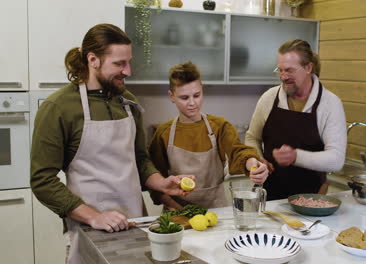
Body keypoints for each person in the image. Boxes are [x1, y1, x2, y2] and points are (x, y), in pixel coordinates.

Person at [30, 24, 194, 264]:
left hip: (136, 223)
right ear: (93, 59)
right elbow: (42, 179)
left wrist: (162, 184)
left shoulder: (128, 102)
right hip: (90, 229)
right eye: (119, 64)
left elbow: (139, 159)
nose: (127, 71)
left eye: (129, 62)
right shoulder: (59, 107)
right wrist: (94, 217)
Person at [148, 61, 269, 209]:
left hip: (216, 210)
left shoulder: (220, 126)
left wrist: (253, 165)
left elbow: (238, 152)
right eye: (184, 98)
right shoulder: (163, 133)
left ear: (202, 91)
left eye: (197, 95)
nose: (192, 103)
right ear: (171, 96)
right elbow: (156, 180)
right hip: (177, 213)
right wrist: (178, 210)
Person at [245, 39, 347, 200]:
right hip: (268, 194)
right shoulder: (269, 98)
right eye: (280, 70)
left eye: (289, 70)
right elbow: (252, 137)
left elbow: (336, 159)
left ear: (308, 67)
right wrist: (258, 159)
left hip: (311, 198)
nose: (283, 77)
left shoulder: (330, 104)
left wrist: (295, 157)